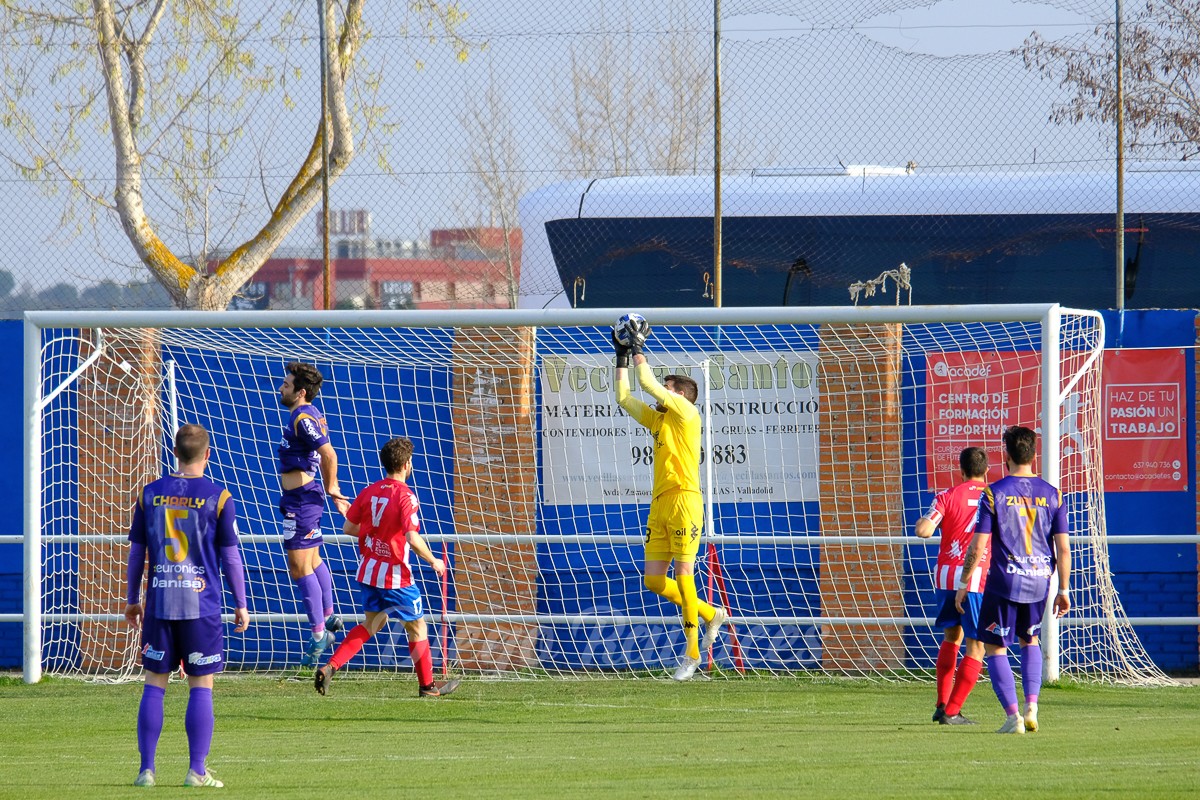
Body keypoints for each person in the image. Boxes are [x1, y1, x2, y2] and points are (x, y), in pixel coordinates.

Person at [125, 424, 250, 788]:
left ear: (174, 453)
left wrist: (133, 599)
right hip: (202, 606)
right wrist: (241, 603)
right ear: (207, 454)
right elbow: (230, 556)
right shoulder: (219, 497)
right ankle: (196, 771)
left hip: (160, 603)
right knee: (201, 686)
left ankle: (146, 771)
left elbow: (137, 552)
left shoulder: (149, 494)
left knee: (154, 684)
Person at [613, 315, 729, 681]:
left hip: (684, 500)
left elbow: (645, 381)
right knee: (652, 580)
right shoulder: (661, 421)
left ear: (679, 395)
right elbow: (623, 398)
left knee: (683, 575)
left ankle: (692, 655)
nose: (660, 392)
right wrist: (620, 355)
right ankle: (712, 614)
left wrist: (638, 347)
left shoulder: (685, 412)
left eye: (667, 388)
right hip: (660, 502)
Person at [314, 436, 460, 698]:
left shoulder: (370, 491)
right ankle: (427, 687)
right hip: (395, 577)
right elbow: (412, 538)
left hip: (369, 572)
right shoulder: (406, 496)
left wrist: (372, 530)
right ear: (405, 465)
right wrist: (434, 561)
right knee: (417, 627)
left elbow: (349, 527)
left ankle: (330, 667)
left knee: (372, 624)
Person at [956, 425, 1071, 734]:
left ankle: (1013, 717)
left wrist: (965, 582)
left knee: (995, 648)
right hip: (1040, 581)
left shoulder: (994, 493)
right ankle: (1032, 704)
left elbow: (979, 544)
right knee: (1030, 640)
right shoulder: (1053, 494)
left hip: (1004, 581)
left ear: (1005, 455)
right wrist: (1063, 589)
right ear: (1034, 454)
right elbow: (1062, 546)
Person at [278, 361, 352, 667]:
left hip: (301, 502)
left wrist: (332, 487)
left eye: (286, 385)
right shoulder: (310, 415)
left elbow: (329, 453)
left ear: (301, 392)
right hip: (303, 499)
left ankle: (319, 633)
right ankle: (328, 615)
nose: (280, 388)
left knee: (298, 567)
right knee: (314, 559)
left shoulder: (302, 417)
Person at [915, 447, 990, 725]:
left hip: (946, 577)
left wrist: (922, 521)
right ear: (986, 471)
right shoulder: (994, 496)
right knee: (977, 647)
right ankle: (952, 711)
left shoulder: (947, 496)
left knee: (951, 637)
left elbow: (924, 530)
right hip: (975, 578)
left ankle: (941, 704)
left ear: (961, 471)